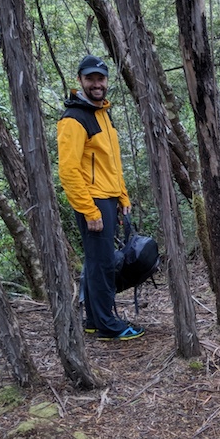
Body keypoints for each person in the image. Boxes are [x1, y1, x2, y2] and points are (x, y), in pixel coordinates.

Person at [57, 55, 144, 341]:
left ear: (107, 82)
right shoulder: (74, 119)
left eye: (100, 79)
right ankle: (108, 324)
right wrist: (89, 210)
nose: (96, 84)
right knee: (103, 263)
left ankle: (95, 319)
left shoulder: (102, 114)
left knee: (97, 262)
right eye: (90, 78)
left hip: (107, 199)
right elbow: (69, 171)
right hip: (92, 202)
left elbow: (110, 163)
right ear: (80, 80)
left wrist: (122, 195)